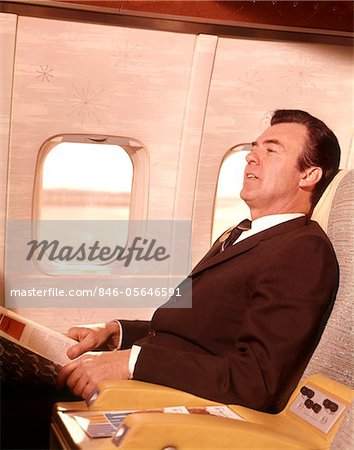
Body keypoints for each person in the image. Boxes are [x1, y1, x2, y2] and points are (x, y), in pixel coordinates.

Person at [57, 109, 340, 413]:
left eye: (271, 150)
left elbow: (255, 380)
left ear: (309, 175)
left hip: (170, 401)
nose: (251, 157)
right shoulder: (238, 234)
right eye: (253, 148)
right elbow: (193, 331)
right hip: (153, 379)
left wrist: (131, 362)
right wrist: (116, 333)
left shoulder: (302, 250)